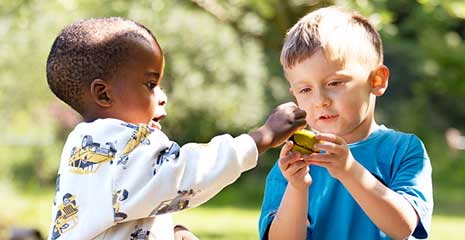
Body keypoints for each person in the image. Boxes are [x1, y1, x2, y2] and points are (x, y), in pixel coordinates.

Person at [45, 17, 307, 240]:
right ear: (103, 94)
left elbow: (131, 207)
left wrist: (170, 231)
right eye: (150, 84)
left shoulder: (88, 145)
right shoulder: (113, 144)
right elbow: (186, 173)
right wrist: (262, 137)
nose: (162, 96)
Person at [259, 6, 433, 240]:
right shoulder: (292, 166)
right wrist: (297, 188)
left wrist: (349, 170)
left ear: (376, 80)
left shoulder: (404, 150)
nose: (320, 101)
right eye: (305, 89)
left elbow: (403, 228)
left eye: (334, 83)